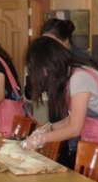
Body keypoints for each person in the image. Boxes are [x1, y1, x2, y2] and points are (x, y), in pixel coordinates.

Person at [20, 36, 98, 182]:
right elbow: (72, 118)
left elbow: (74, 128)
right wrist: (48, 128)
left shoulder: (80, 78)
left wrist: (41, 139)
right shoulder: (73, 74)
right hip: (94, 140)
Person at [26, 18, 93, 169]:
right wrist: (49, 128)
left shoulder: (80, 70)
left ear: (65, 41)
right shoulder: (59, 65)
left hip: (82, 137)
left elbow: (75, 125)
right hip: (63, 123)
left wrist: (41, 138)